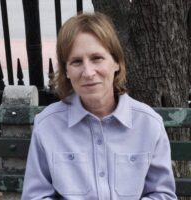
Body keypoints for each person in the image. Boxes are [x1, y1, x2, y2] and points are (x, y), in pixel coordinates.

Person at [21, 12, 177, 200]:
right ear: (67, 71)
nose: (88, 72)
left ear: (117, 62)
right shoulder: (47, 126)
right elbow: (35, 196)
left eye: (97, 58)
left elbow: (162, 194)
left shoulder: (149, 124)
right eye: (77, 61)